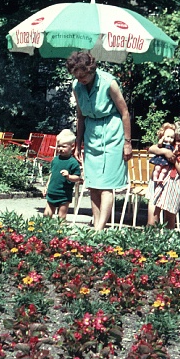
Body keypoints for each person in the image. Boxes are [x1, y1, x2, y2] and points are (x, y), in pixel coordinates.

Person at [66, 51, 131, 230]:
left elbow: (125, 113)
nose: (81, 79)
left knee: (106, 185)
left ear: (91, 70)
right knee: (93, 184)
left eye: (84, 75)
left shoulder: (109, 83)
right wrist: (77, 144)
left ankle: (100, 228)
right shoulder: (76, 86)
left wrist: (127, 142)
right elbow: (80, 116)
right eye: (77, 77)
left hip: (112, 134)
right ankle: (97, 223)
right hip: (91, 135)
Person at [147, 121, 180, 229]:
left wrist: (175, 162)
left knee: (170, 218)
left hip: (174, 186)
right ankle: (149, 240)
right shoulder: (169, 148)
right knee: (152, 217)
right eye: (179, 140)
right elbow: (151, 149)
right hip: (158, 183)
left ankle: (168, 241)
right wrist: (165, 152)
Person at [42, 129, 83, 219]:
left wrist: (68, 176)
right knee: (46, 215)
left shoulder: (73, 162)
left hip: (64, 194)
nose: (60, 149)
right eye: (59, 146)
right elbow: (52, 174)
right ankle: (45, 231)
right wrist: (46, 187)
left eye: (64, 147)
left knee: (61, 216)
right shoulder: (55, 160)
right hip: (52, 191)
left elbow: (77, 177)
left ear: (72, 147)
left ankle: (60, 231)